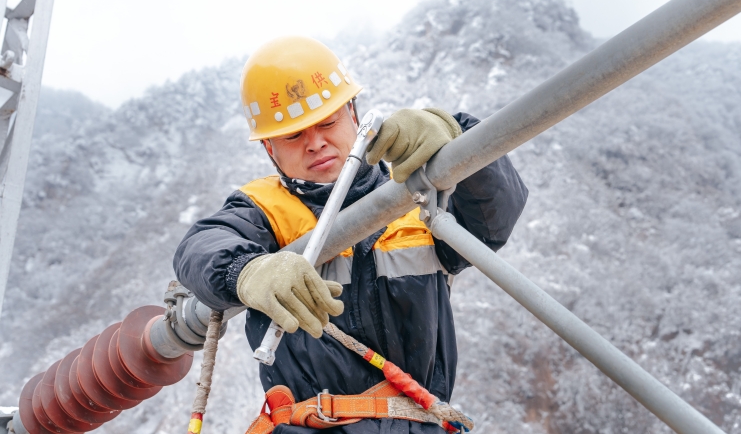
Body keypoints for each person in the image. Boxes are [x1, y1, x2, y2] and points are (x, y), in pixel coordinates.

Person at [174, 36, 527, 433]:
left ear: (353, 114)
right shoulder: (264, 210)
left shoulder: (414, 195)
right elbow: (202, 245)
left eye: (327, 122)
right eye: (293, 135)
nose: (316, 142)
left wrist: (455, 138)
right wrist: (247, 270)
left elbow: (496, 216)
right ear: (270, 150)